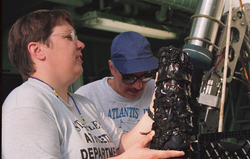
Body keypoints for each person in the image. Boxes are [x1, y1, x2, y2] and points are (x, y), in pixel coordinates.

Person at [2, 9, 185, 159]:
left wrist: (159, 101)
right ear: (38, 50)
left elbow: (121, 147)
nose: (80, 44)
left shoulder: (83, 104)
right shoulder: (27, 102)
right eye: (69, 37)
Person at [75, 31, 157, 132]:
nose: (138, 86)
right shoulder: (87, 98)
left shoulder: (159, 90)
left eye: (146, 76)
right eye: (129, 78)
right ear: (111, 68)